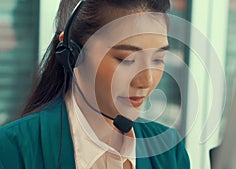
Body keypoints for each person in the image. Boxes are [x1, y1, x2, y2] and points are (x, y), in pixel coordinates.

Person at [0, 0, 190, 168]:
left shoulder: (168, 152)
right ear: (72, 54)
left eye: (158, 59)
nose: (146, 81)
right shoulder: (12, 150)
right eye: (127, 60)